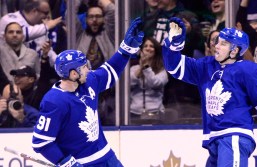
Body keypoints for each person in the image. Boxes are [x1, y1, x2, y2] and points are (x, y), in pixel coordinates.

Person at [162, 17, 257, 166]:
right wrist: (173, 44)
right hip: (213, 140)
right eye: (217, 41)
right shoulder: (206, 65)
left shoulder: (248, 70)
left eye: (223, 44)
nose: (216, 46)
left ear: (235, 51)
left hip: (234, 136)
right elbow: (174, 67)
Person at [31, 17, 144, 166]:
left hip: (107, 157)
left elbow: (110, 70)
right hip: (82, 163)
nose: (88, 69)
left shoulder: (88, 81)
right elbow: (41, 142)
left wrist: (125, 50)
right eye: (84, 67)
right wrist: (65, 162)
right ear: (73, 74)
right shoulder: (53, 101)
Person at [130, 37, 168, 121]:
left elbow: (155, 84)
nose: (148, 48)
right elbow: (129, 84)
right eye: (145, 46)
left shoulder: (162, 70)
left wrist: (146, 68)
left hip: (156, 114)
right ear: (141, 51)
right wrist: (141, 67)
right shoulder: (133, 69)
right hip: (135, 114)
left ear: (156, 51)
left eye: (151, 46)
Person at [76, 1, 115, 70]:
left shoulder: (110, 34)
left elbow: (112, 10)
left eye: (98, 16)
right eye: (91, 16)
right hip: (83, 78)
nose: (94, 20)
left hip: (106, 77)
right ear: (86, 19)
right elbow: (69, 14)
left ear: (104, 19)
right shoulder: (79, 35)